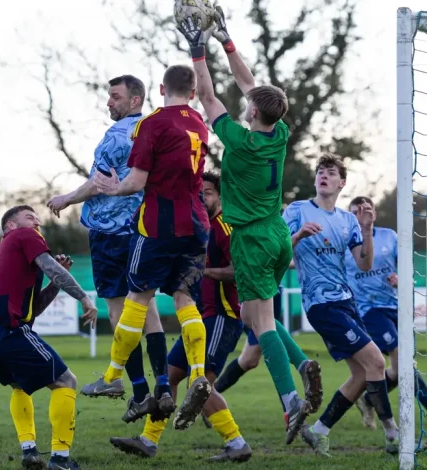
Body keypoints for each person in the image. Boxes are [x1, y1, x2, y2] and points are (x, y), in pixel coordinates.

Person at [177, 8, 322, 445]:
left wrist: (197, 50)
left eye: (249, 103)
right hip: (278, 235)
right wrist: (226, 41)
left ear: (254, 111)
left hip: (253, 240)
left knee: (261, 325)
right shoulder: (279, 134)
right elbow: (249, 84)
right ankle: (302, 364)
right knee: (255, 317)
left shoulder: (239, 141)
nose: (244, 101)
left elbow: (207, 97)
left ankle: (291, 401)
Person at [83, 64, 212, 431]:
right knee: (184, 299)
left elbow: (136, 181)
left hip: (157, 224)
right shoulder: (199, 123)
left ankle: (115, 376)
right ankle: (197, 374)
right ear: (192, 92)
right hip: (196, 223)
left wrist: (113, 188)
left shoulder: (151, 124)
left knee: (136, 300)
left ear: (160, 89)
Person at [46, 75, 171, 423]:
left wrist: (66, 198)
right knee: (147, 309)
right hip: (144, 230)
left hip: (110, 233)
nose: (109, 103)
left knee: (118, 312)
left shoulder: (117, 135)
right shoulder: (155, 131)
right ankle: (163, 387)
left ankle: (136, 390)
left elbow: (98, 183)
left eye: (115, 96)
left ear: (135, 100)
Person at [108, 172, 252, 462]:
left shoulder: (226, 227)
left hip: (222, 317)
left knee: (200, 387)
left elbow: (240, 271)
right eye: (200, 192)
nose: (202, 197)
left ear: (220, 197)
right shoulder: (196, 227)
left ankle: (236, 443)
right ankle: (148, 441)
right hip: (198, 319)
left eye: (208, 192)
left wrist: (199, 270)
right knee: (169, 377)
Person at [281, 155, 399, 456]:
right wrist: (298, 235)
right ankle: (393, 434)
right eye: (320, 171)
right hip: (321, 305)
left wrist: (368, 231)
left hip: (347, 303)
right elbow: (277, 251)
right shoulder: (297, 210)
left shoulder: (348, 221)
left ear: (341, 183)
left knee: (361, 375)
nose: (324, 175)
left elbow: (364, 264)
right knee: (377, 362)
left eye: (331, 172)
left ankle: (319, 431)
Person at [0, 205, 98, 470]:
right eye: (30, 217)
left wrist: (55, 283)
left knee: (19, 385)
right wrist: (84, 297)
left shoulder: (11, 254)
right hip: (6, 331)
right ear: (10, 226)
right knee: (66, 381)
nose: (37, 222)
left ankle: (29, 451)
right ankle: (60, 459)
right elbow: (53, 268)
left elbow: (35, 308)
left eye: (37, 218)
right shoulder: (23, 236)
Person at [344, 196, 427, 431]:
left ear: (374, 213)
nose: (360, 215)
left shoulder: (389, 237)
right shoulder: (344, 244)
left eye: (366, 210)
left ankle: (368, 400)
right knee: (402, 360)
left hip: (395, 308)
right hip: (368, 311)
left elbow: (407, 270)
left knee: (398, 370)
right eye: (355, 212)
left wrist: (401, 279)